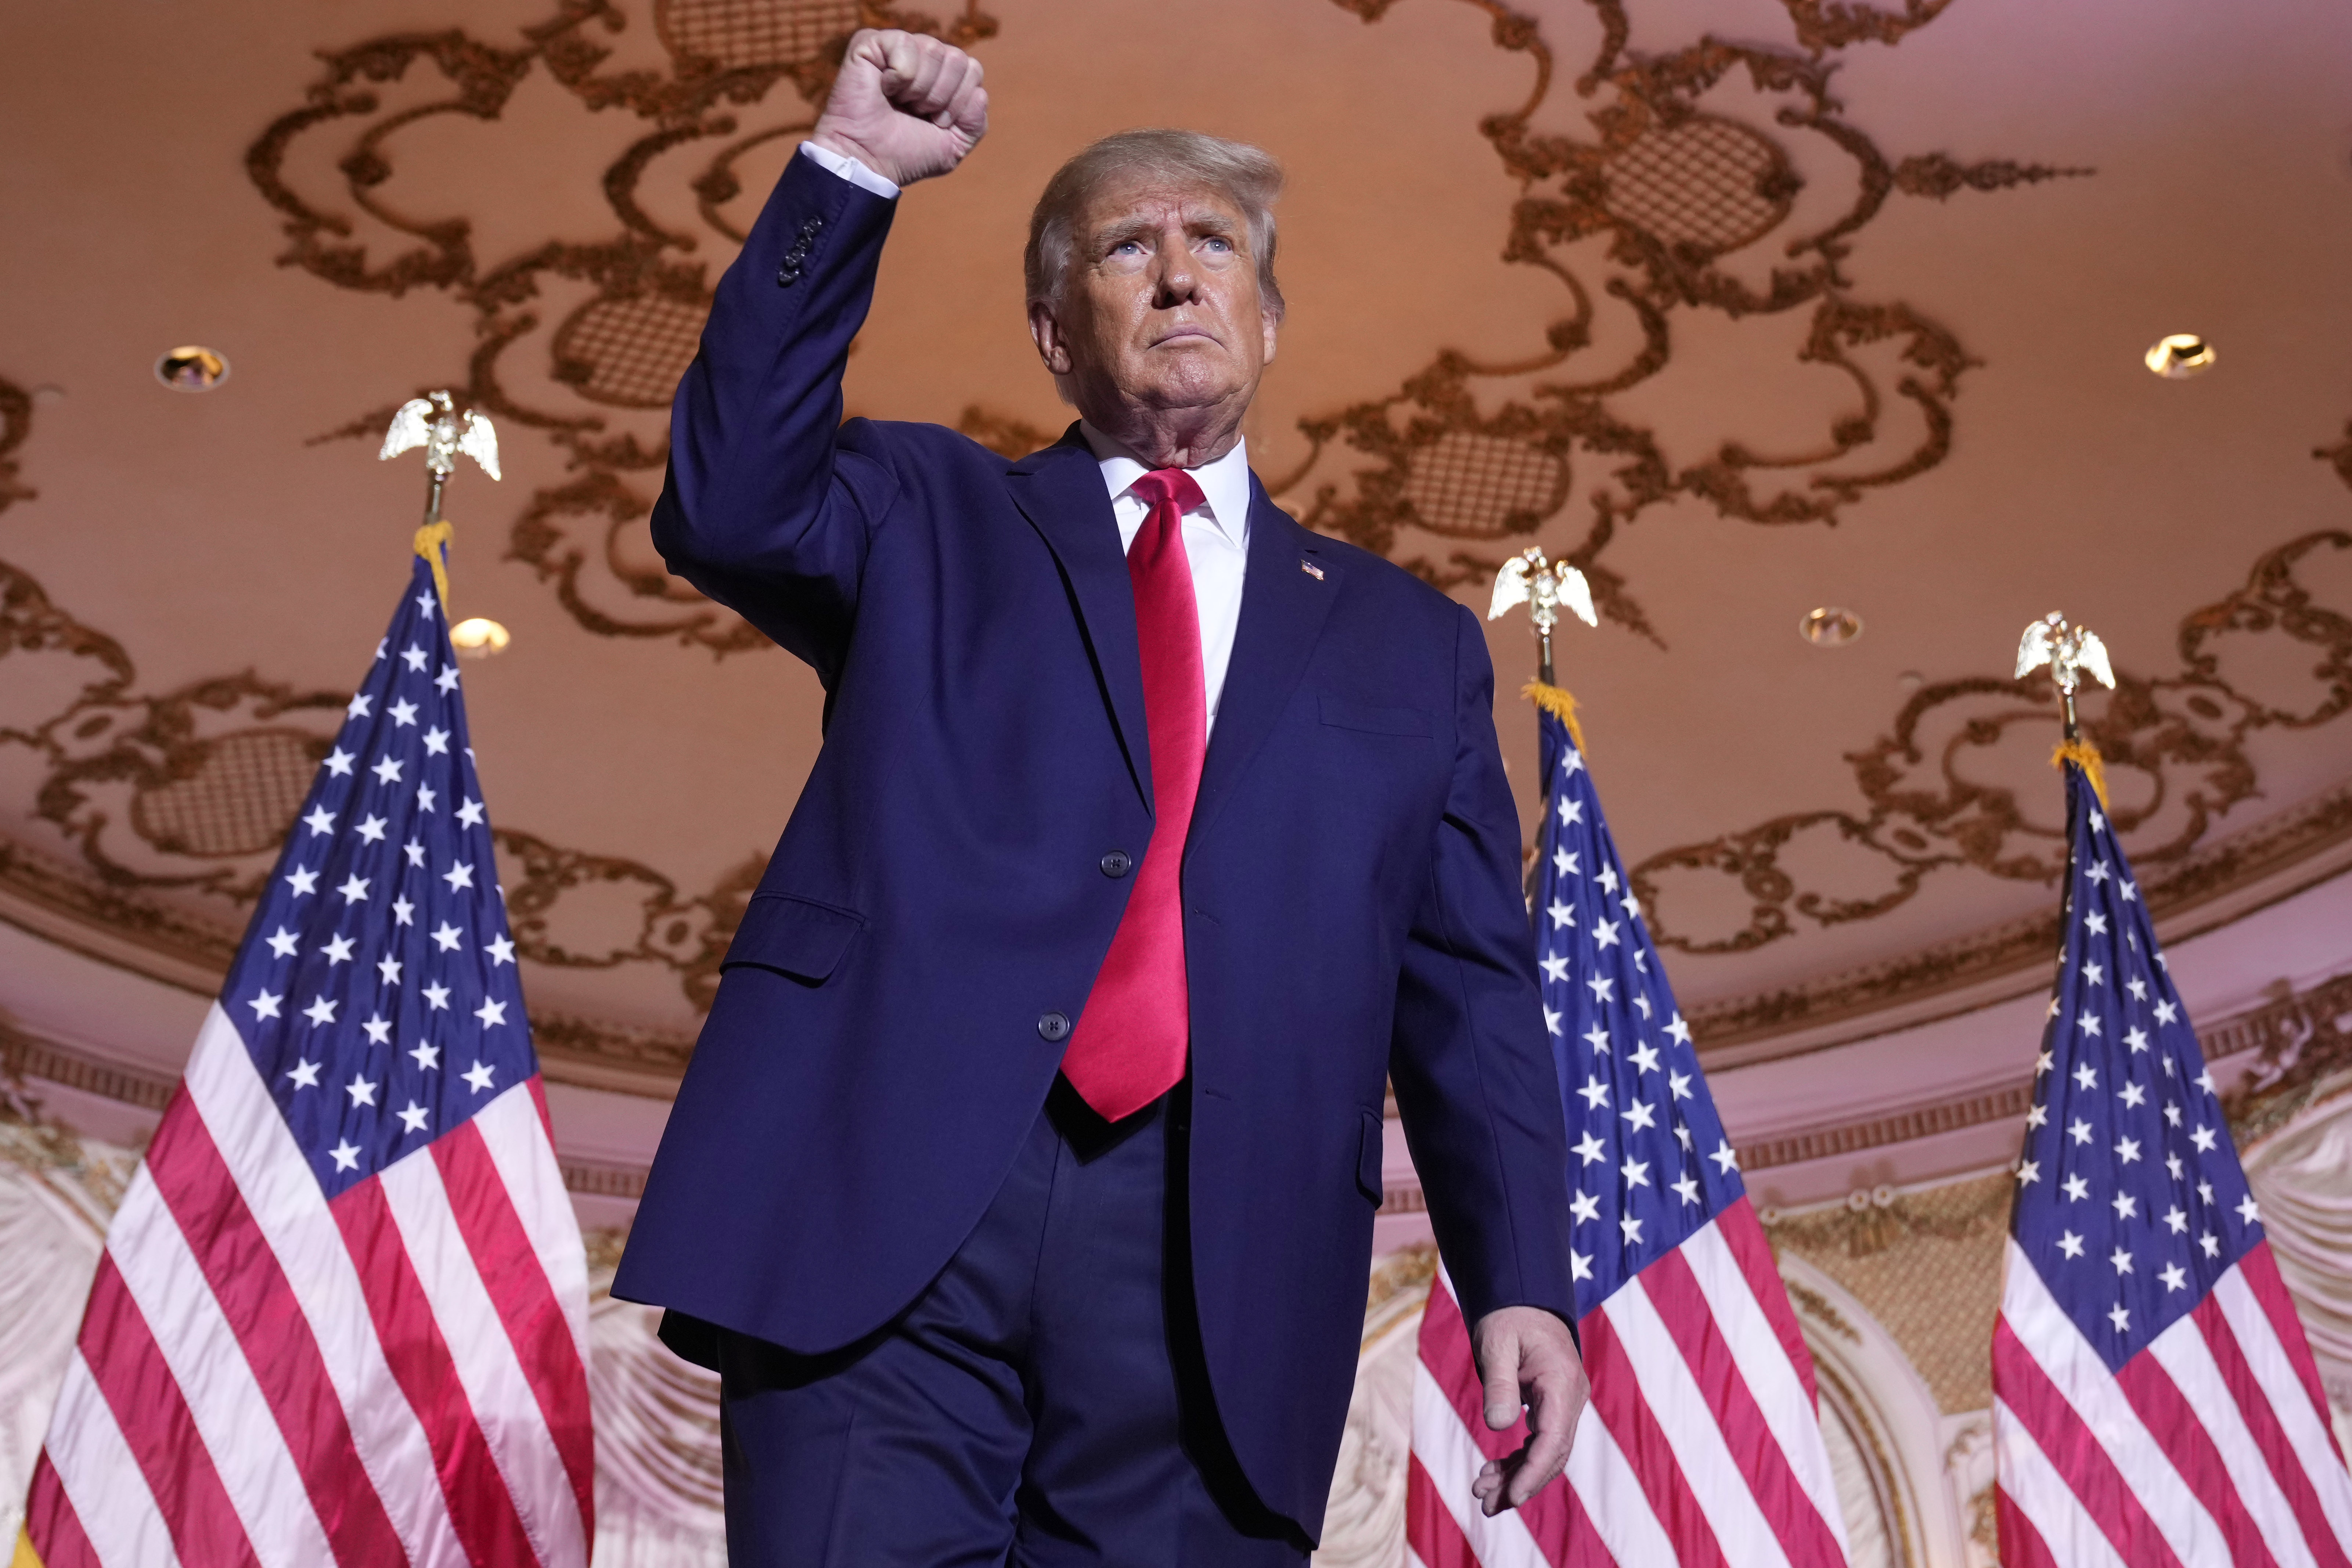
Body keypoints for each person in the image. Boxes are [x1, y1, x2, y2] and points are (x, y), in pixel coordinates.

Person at [613, 26, 1588, 1566]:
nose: (1181, 273)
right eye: (1128, 246)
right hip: (887, 1213)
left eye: (1216, 246)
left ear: (1267, 317)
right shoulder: (925, 515)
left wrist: (1518, 1273)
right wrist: (853, 166)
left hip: (1221, 1264)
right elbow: (725, 496)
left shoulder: (1410, 646)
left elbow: (1468, 993)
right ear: (1058, 336)